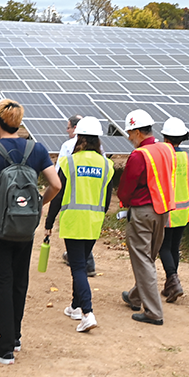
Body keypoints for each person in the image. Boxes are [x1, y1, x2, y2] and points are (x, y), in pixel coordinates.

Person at [0, 98, 61, 364]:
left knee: (2, 281)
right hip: (25, 226)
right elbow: (56, 184)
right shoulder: (36, 148)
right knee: (20, 281)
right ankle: (16, 336)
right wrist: (37, 205)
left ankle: (5, 347)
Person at [43, 116, 114, 333]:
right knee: (81, 263)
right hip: (94, 222)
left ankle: (87, 312)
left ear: (79, 137)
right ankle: (75, 306)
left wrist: (48, 222)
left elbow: (57, 194)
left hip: (73, 221)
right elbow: (107, 199)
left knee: (78, 268)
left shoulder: (68, 162)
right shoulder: (107, 164)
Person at [116, 109, 175, 326]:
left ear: (139, 132)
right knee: (148, 257)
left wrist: (123, 201)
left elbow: (126, 188)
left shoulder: (139, 155)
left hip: (142, 212)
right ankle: (135, 296)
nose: (129, 137)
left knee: (143, 261)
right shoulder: (166, 149)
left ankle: (153, 312)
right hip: (163, 211)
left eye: (130, 133)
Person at [159, 117, 189, 303]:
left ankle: (173, 281)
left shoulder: (163, 158)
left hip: (165, 210)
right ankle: (169, 286)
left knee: (163, 247)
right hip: (184, 212)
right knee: (174, 247)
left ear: (165, 138)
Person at [55, 114, 95, 275]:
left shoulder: (67, 146)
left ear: (75, 129)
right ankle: (82, 259)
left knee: (75, 231)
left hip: (72, 196)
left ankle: (86, 262)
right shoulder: (98, 148)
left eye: (68, 127)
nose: (67, 130)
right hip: (93, 197)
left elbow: (60, 171)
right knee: (86, 230)